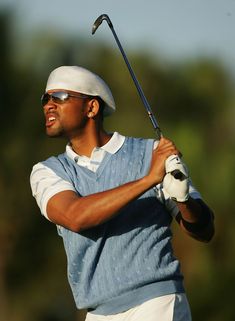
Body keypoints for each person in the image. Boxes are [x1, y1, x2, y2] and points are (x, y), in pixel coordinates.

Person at [30, 65, 214, 321]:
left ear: (91, 108)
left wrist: (183, 200)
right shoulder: (48, 171)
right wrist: (149, 179)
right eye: (45, 99)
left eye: (59, 97)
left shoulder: (151, 153)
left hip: (157, 303)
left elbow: (204, 230)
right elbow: (76, 216)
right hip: (98, 312)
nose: (48, 105)